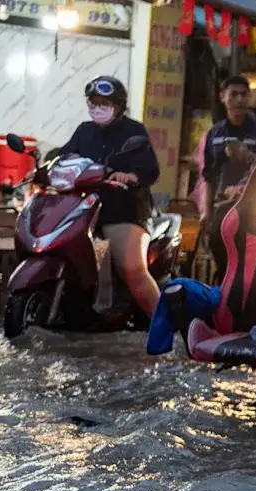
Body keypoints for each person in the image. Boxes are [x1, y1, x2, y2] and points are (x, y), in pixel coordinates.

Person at [59, 75, 161, 318]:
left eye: (105, 103)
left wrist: (130, 176)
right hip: (85, 211)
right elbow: (64, 157)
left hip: (123, 210)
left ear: (119, 106)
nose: (98, 108)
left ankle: (166, 328)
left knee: (133, 269)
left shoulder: (134, 131)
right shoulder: (84, 132)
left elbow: (150, 170)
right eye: (94, 103)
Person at [201, 76, 256, 283]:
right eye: (233, 94)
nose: (239, 100)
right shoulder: (214, 133)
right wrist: (206, 211)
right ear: (222, 97)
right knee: (219, 246)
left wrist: (248, 157)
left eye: (244, 94)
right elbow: (208, 174)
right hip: (222, 205)